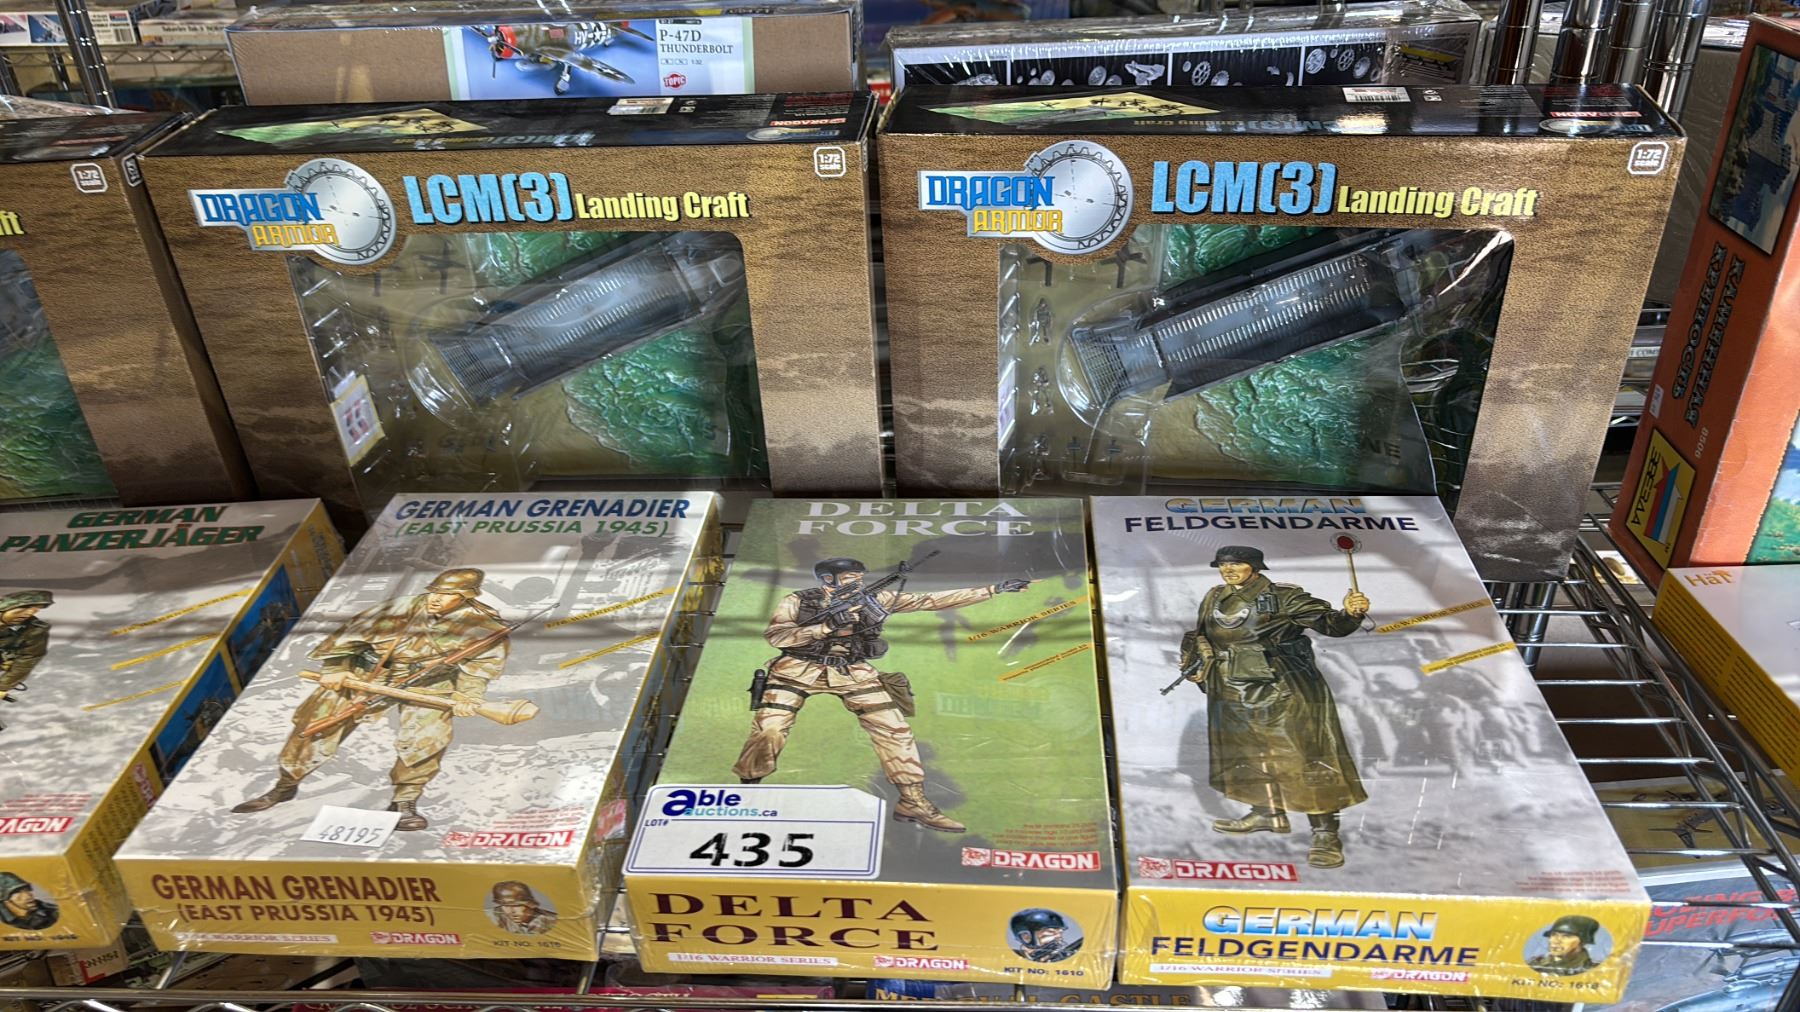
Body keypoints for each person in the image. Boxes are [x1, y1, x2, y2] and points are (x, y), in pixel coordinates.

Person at [733, 557, 1029, 833]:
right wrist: (824, 627)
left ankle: (913, 802)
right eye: (849, 578)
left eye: (859, 577)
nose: (857, 582)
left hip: (852, 671)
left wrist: (994, 589)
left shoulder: (875, 598)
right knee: (770, 729)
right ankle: (748, 792)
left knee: (894, 729)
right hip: (796, 669)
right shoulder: (798, 600)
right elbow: (777, 636)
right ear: (828, 579)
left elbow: (929, 600)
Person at [232, 568, 512, 830]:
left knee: (427, 737)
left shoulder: (483, 626)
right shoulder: (400, 609)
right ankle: (285, 785)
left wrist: (467, 696)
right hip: (368, 673)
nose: (436, 598)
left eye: (447, 594)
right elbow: (349, 635)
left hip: (430, 682)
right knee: (317, 722)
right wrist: (336, 668)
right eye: (434, 591)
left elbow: (480, 665)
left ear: (466, 597)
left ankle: (405, 801)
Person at [1178, 546, 1368, 869]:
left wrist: (1350, 614)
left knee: (1303, 756)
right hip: (1228, 687)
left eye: (1236, 564)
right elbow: (1203, 636)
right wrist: (1195, 662)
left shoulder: (1284, 596)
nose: (1228, 570)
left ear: (1254, 567)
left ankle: (1325, 834)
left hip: (1282, 691)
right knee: (1244, 753)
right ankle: (1266, 812)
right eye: (1223, 565)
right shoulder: (1214, 597)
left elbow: (1330, 624)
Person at [0, 590, 53, 694]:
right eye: (24, 608)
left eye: (35, 610)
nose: (29, 613)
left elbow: (29, 658)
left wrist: (3, 687)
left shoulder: (34, 630)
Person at [1528, 915, 1601, 975]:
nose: (1556, 941)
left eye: (1567, 936)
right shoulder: (1535, 965)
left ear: (1583, 942)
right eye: (1553, 935)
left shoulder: (1595, 970)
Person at [1009, 908, 1080, 962]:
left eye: (1060, 932)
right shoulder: (1011, 959)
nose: (1059, 937)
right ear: (1026, 937)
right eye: (1051, 932)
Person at [488, 881, 555, 935]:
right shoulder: (493, 916)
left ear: (529, 904)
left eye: (516, 905)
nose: (511, 911)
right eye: (505, 905)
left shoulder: (551, 920)